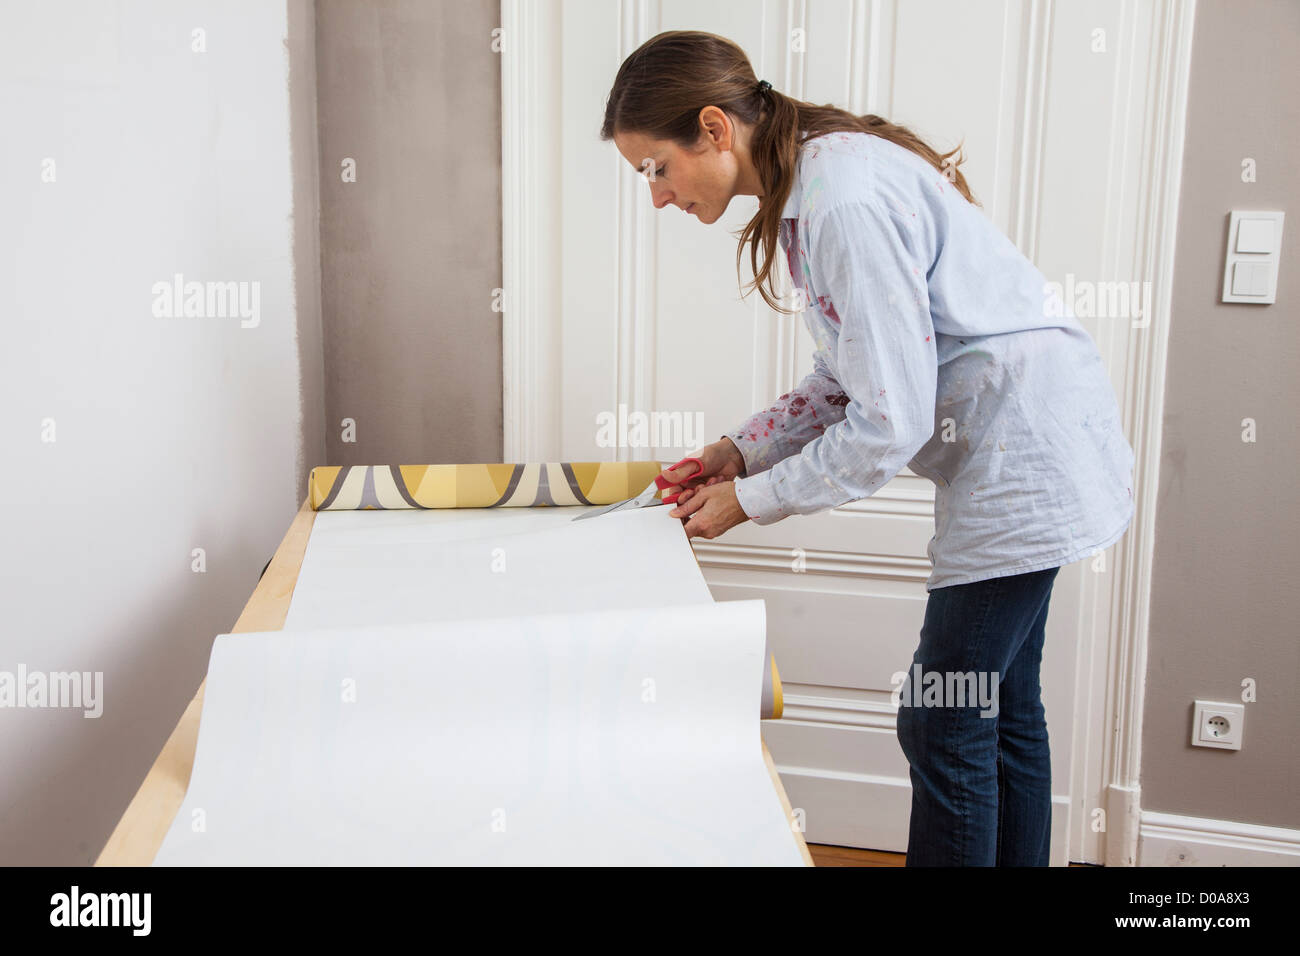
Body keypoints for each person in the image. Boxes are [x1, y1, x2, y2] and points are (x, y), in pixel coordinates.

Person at [601, 30, 1135, 867]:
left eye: (655, 168)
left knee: (944, 713)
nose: (658, 197)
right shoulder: (814, 185)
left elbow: (889, 420)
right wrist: (739, 453)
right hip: (1033, 443)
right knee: (1000, 705)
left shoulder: (838, 200)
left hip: (1027, 459)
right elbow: (851, 373)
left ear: (713, 128)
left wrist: (752, 500)